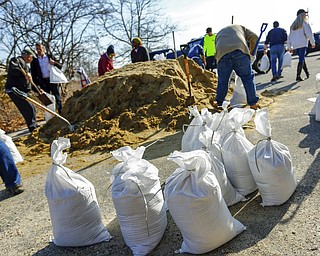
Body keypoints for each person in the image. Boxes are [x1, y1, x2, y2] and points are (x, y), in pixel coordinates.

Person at [214, 24, 260, 110]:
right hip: (239, 51)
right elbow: (255, 37)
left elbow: (217, 48)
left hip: (222, 53)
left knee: (223, 81)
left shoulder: (219, 33)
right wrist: (251, 52)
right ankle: (253, 103)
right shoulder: (242, 28)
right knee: (247, 78)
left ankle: (219, 103)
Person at [5, 49, 38, 132]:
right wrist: (25, 73)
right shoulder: (16, 60)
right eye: (31, 57)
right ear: (28, 55)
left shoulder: (26, 65)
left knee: (32, 107)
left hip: (22, 90)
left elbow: (28, 82)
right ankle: (32, 127)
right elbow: (14, 70)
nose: (32, 59)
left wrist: (38, 90)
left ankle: (33, 125)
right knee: (28, 107)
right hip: (14, 90)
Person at [31, 42, 63, 114]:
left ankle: (61, 113)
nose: (39, 50)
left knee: (57, 97)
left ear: (44, 49)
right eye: (37, 49)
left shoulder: (50, 56)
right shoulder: (34, 60)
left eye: (40, 49)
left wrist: (54, 63)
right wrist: (36, 84)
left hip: (52, 80)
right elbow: (33, 73)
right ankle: (51, 114)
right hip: (43, 82)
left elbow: (60, 66)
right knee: (47, 99)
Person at [287, 9, 315, 82]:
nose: (306, 15)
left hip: (295, 45)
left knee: (302, 59)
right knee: (301, 60)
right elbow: (309, 34)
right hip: (302, 44)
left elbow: (289, 37)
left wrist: (289, 46)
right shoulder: (304, 23)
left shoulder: (293, 26)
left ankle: (307, 73)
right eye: (305, 14)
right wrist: (313, 42)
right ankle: (298, 76)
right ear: (302, 15)